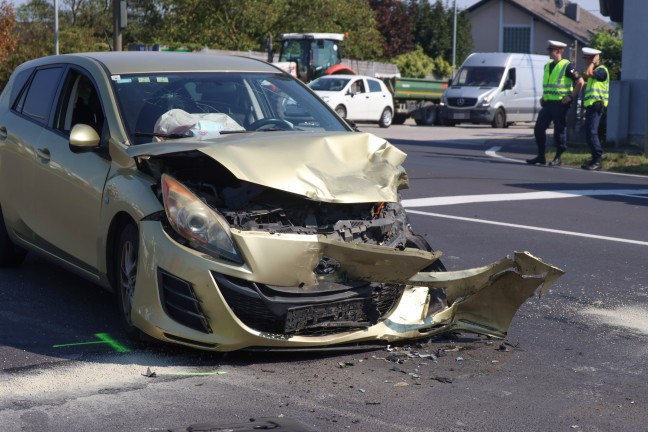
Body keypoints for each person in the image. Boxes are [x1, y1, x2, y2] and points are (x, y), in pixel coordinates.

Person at [527, 40, 585, 166]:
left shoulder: (567, 66)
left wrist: (570, 96)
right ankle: (541, 156)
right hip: (548, 103)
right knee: (539, 129)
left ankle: (558, 157)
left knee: (559, 130)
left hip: (560, 104)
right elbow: (548, 84)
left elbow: (580, 82)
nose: (549, 52)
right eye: (549, 49)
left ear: (559, 51)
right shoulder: (547, 66)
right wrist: (544, 97)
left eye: (551, 50)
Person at [580, 47, 609, 171]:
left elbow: (588, 74)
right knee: (588, 133)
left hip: (597, 106)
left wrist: (593, 62)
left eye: (587, 58)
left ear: (594, 58)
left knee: (592, 132)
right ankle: (594, 159)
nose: (585, 61)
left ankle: (597, 159)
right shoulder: (595, 70)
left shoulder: (602, 70)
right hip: (591, 106)